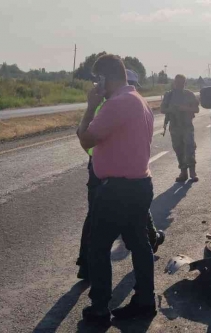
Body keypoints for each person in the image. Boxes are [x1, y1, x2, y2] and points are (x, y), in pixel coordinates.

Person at [76, 55, 156, 324]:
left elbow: (85, 137)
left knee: (97, 247)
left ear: (104, 78)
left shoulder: (116, 103)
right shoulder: (139, 101)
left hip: (117, 190)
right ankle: (145, 301)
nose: (95, 85)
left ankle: (99, 307)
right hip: (140, 184)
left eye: (96, 79)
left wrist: (91, 106)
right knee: (140, 245)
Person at [161, 74, 200, 183]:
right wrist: (171, 110)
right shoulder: (169, 95)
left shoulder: (189, 94)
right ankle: (183, 172)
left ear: (184, 83)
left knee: (190, 147)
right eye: (177, 82)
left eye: (181, 83)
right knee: (178, 149)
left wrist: (185, 108)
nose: (179, 85)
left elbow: (197, 109)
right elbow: (162, 109)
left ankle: (192, 171)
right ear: (174, 82)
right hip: (174, 126)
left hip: (187, 126)